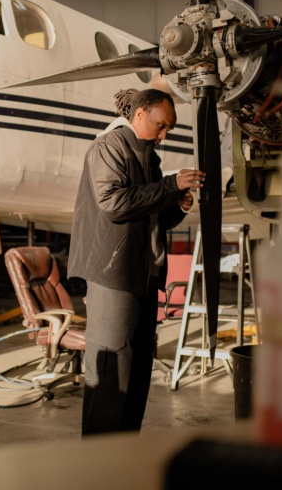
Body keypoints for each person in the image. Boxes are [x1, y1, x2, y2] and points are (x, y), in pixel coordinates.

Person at [68, 88, 205, 436]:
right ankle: (101, 467)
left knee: (137, 375)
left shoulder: (149, 159)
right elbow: (113, 204)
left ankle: (123, 458)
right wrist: (171, 184)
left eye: (169, 130)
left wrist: (177, 207)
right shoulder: (109, 147)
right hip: (115, 277)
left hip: (142, 278)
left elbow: (148, 220)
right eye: (161, 126)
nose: (164, 135)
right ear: (140, 114)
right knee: (112, 376)